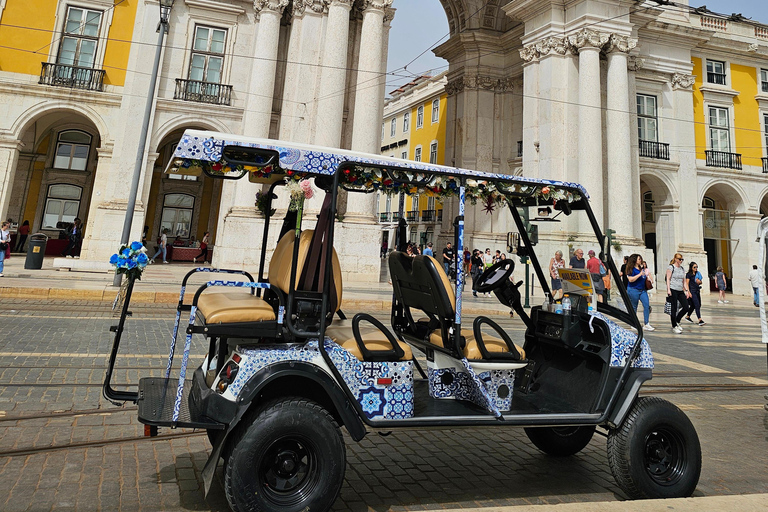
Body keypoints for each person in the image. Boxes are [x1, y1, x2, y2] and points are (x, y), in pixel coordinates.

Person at [626, 253, 654, 331]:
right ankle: (633, 322)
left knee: (646, 305)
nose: (640, 260)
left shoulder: (641, 268)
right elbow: (630, 280)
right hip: (633, 289)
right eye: (639, 259)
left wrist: (648, 279)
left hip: (642, 290)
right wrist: (639, 275)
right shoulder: (631, 269)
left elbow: (643, 277)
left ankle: (646, 323)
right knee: (634, 307)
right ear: (634, 260)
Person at [665, 253, 691, 334]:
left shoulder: (682, 269)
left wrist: (686, 290)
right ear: (675, 259)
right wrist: (668, 289)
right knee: (674, 308)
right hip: (673, 289)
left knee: (686, 307)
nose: (681, 261)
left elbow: (684, 281)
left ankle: (677, 320)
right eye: (679, 259)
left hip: (680, 290)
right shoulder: (671, 267)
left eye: (682, 259)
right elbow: (668, 279)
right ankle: (674, 326)